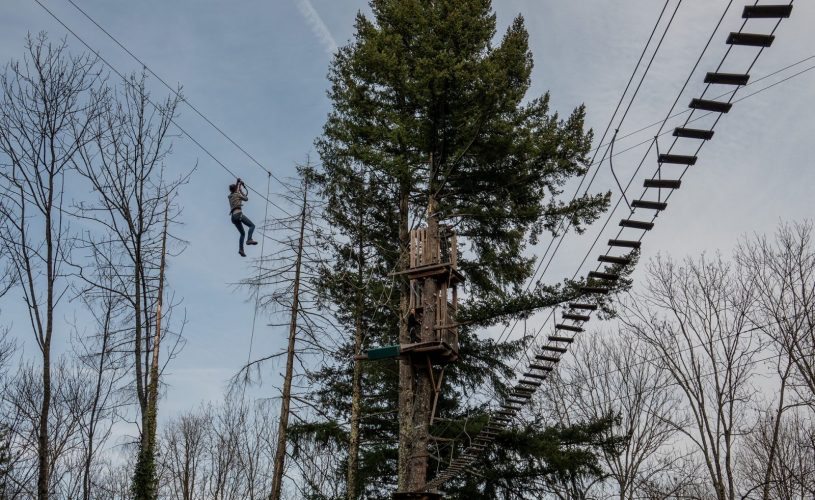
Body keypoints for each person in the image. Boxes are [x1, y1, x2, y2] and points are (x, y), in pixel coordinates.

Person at [228, 178, 257, 257]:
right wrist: (241, 191)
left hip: (233, 218)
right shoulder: (237, 194)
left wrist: (238, 183)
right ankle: (249, 239)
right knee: (252, 226)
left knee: (242, 234)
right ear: (236, 189)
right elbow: (246, 199)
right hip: (238, 214)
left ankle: (241, 249)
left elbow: (234, 190)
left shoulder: (230, 196)